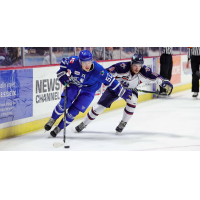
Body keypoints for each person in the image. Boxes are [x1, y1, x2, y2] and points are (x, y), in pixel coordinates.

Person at [75, 53, 173, 134]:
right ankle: (83, 124)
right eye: (135, 65)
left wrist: (164, 82)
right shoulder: (121, 67)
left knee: (133, 101)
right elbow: (105, 73)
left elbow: (156, 77)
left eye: (139, 66)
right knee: (99, 107)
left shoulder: (145, 72)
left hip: (130, 90)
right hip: (115, 88)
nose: (137, 68)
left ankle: (123, 123)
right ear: (131, 63)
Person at [44, 50, 132, 137]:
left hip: (89, 90)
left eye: (89, 62)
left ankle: (59, 128)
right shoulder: (73, 61)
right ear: (80, 61)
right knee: (64, 103)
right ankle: (52, 119)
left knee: (73, 112)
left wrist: (123, 92)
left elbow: (112, 82)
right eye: (84, 63)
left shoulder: (99, 71)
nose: (87, 65)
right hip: (75, 84)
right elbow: (63, 63)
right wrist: (62, 73)